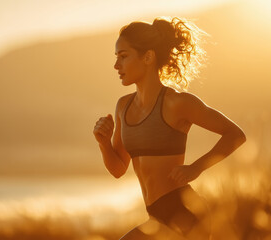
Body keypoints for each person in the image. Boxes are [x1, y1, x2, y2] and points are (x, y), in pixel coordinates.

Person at [93, 16, 246, 240]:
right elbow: (118, 169)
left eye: (123, 57)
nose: (116, 65)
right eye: (116, 57)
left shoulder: (178, 103)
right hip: (156, 218)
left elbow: (235, 135)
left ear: (148, 57)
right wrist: (103, 143)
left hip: (186, 214)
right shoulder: (123, 107)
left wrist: (196, 168)